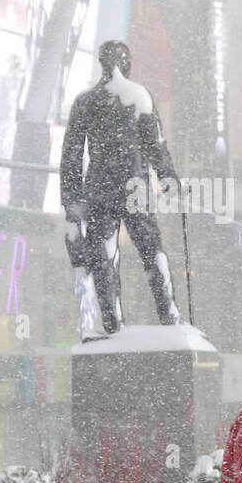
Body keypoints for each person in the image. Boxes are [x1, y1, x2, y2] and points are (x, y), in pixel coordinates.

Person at [59, 39, 182, 338]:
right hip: (134, 187)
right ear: (126, 62)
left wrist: (71, 198)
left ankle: (114, 325)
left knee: (104, 258)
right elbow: (157, 147)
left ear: (102, 62)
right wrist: (168, 180)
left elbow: (72, 155)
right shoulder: (139, 97)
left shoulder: (85, 101)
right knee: (152, 251)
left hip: (99, 189)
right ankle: (170, 317)